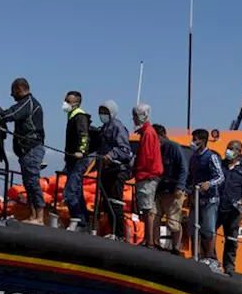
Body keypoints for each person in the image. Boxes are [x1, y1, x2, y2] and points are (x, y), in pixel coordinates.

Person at [0, 78, 45, 223]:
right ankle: (32, 215)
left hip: (32, 148)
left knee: (32, 182)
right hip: (25, 150)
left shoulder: (27, 103)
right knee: (28, 183)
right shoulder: (27, 103)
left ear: (19, 89)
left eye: (13, 92)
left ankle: (40, 217)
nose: (11, 95)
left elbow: (13, 113)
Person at [94, 101, 133, 239]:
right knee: (107, 202)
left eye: (106, 112)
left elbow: (124, 149)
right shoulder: (104, 127)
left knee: (115, 202)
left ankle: (120, 234)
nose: (103, 115)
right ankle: (112, 231)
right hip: (106, 170)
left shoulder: (117, 126)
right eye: (101, 111)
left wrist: (110, 156)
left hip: (117, 170)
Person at [217, 140, 242, 276]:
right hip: (219, 206)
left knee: (231, 239)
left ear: (239, 152)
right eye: (227, 148)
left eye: (231, 149)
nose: (228, 151)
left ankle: (229, 267)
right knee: (208, 234)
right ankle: (211, 260)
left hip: (234, 210)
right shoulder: (220, 165)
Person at [187, 130, 225, 262]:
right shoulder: (193, 158)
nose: (193, 141)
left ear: (202, 141)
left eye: (195, 139)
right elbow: (191, 177)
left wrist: (209, 184)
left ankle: (210, 257)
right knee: (193, 227)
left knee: (208, 229)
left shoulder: (211, 157)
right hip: (196, 199)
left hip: (210, 199)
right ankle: (195, 255)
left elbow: (220, 177)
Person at [131, 104, 164, 248]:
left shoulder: (148, 133)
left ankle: (149, 240)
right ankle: (148, 239)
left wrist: (136, 168)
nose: (133, 119)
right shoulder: (147, 133)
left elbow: (147, 157)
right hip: (145, 175)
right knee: (145, 209)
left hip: (147, 176)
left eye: (135, 116)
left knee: (147, 208)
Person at [61, 91, 93, 230]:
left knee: (69, 193)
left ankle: (79, 221)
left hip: (79, 160)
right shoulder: (71, 116)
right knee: (77, 193)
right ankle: (84, 221)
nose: (65, 103)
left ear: (75, 103)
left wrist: (81, 150)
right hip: (71, 160)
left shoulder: (79, 116)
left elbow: (84, 135)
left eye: (68, 101)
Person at [154, 123, 188, 254]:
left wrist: (179, 187)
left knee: (173, 221)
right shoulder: (155, 149)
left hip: (172, 190)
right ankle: (154, 243)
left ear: (162, 136)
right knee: (154, 216)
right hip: (159, 189)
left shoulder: (174, 147)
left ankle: (176, 247)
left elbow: (183, 168)